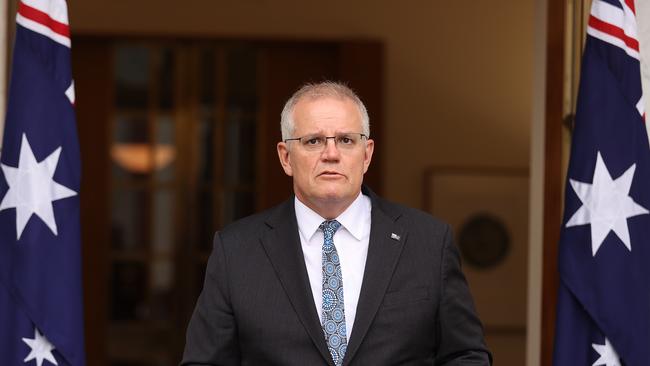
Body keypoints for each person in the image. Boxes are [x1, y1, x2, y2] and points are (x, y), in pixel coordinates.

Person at [181, 81, 492, 365]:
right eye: (313, 141)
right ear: (286, 157)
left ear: (366, 154)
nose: (331, 154)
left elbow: (466, 356)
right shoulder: (237, 251)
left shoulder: (428, 242)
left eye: (346, 140)